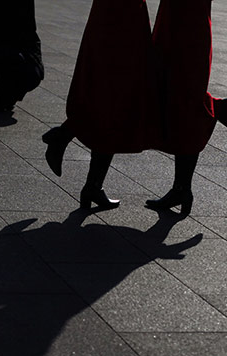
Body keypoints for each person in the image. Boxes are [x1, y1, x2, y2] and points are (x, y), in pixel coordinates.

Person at [42, 0, 159, 210]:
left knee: (109, 97)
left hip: (113, 15)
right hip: (124, 18)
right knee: (117, 100)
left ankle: (70, 144)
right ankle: (90, 180)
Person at [145, 0, 227, 215]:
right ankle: (181, 188)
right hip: (177, 21)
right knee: (176, 99)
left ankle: (182, 189)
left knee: (184, 102)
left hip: (186, 27)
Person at [0, 0, 44, 112]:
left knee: (30, 70)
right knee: (11, 61)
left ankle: (5, 94)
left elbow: (30, 30)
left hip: (18, 46)